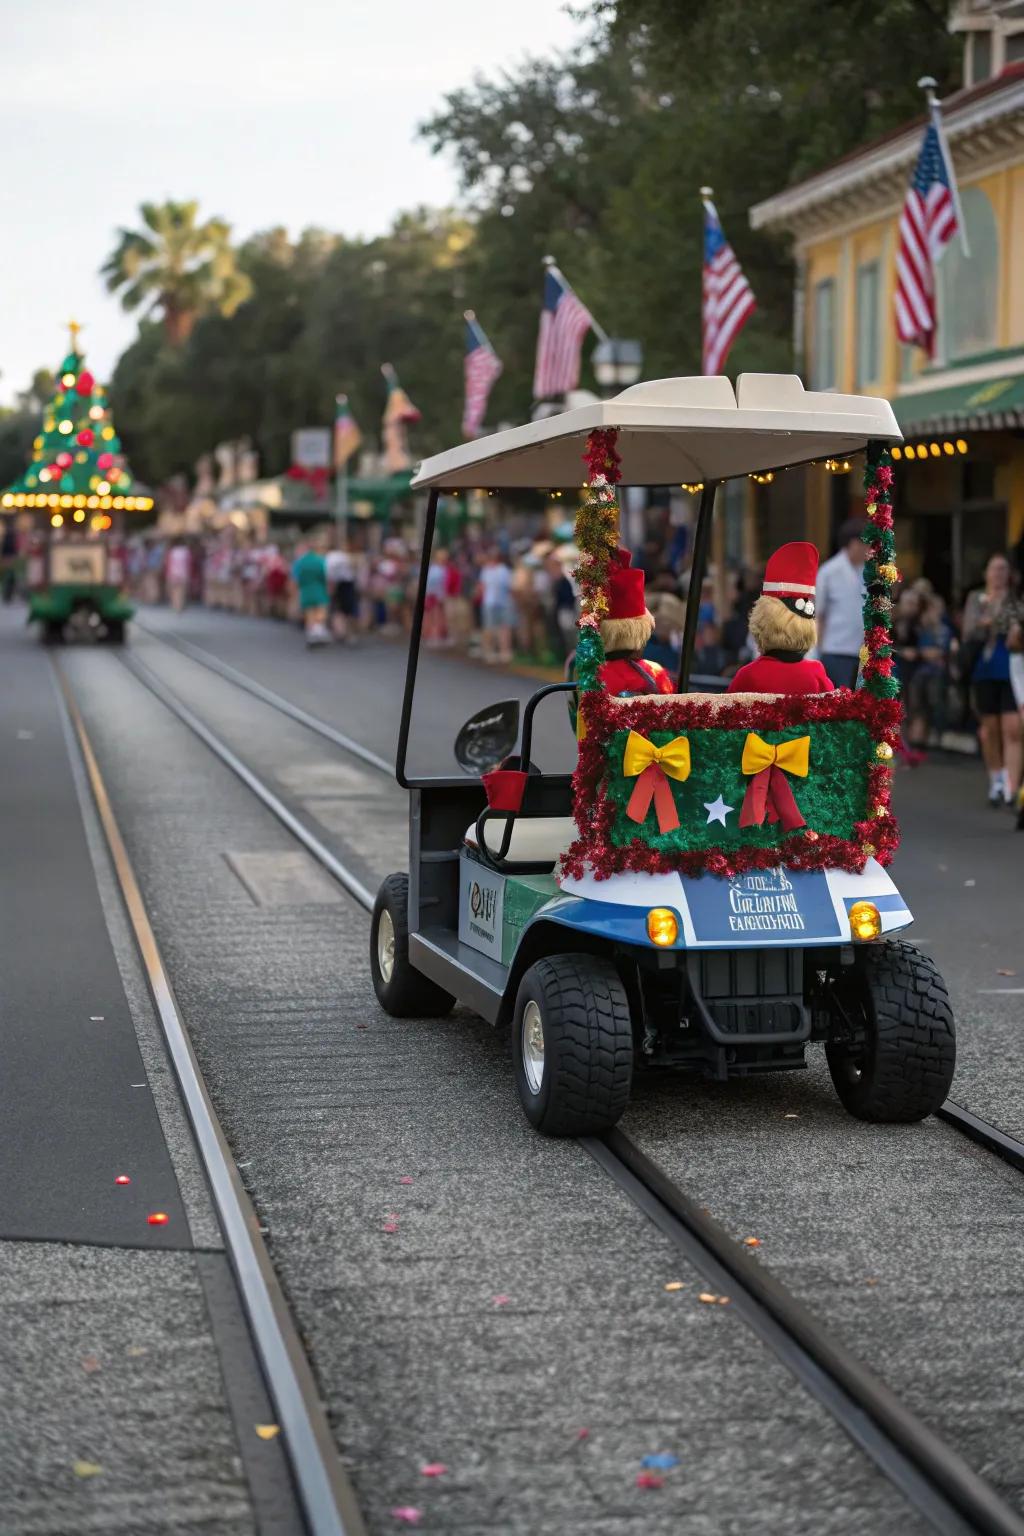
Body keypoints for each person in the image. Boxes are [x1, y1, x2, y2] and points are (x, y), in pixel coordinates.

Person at [962, 553, 1024, 807]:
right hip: (984, 668)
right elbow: (969, 629)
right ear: (986, 573)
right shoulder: (976, 598)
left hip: (1011, 666)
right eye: (994, 569)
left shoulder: (1015, 598)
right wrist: (992, 622)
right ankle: (996, 778)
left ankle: (1010, 786)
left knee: (1012, 727)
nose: (998, 574)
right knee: (990, 729)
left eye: (1003, 569)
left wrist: (993, 621)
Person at [815, 519, 867, 689]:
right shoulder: (829, 572)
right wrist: (817, 652)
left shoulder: (867, 572)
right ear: (854, 544)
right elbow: (818, 614)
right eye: (865, 545)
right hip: (835, 651)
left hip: (862, 653)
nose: (868, 550)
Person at [477, 549, 516, 665]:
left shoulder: (504, 570)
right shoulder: (486, 570)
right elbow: (482, 586)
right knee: (489, 628)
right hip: (489, 603)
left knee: (504, 628)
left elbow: (509, 587)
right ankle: (489, 651)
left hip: (503, 603)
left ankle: (504, 652)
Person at [292, 537, 331, 647]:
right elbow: (325, 576)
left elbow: (295, 578)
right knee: (321, 612)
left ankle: (311, 635)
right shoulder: (320, 561)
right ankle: (318, 633)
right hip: (319, 590)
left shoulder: (301, 562)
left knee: (309, 614)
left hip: (305, 591)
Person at [325, 541, 358, 643]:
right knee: (347, 610)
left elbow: (330, 575)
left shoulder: (329, 557)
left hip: (338, 584)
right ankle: (347, 633)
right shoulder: (344, 556)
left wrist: (330, 590)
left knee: (336, 610)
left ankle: (340, 632)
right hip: (348, 584)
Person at [166, 538, 191, 613]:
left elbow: (169, 564)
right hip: (183, 573)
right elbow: (188, 564)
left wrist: (168, 574)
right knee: (181, 591)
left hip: (173, 573)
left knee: (174, 591)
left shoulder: (172, 552)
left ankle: (175, 606)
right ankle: (179, 606)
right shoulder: (186, 551)